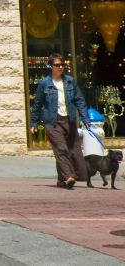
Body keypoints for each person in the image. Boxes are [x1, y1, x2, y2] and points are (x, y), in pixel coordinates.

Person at [30, 53, 91, 189]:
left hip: (68, 119)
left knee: (73, 150)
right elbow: (37, 104)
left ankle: (60, 180)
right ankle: (69, 177)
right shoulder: (44, 83)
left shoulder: (70, 81)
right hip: (52, 121)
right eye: (57, 65)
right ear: (51, 66)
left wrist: (85, 118)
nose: (60, 67)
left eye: (62, 65)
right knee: (61, 148)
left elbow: (79, 100)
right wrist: (34, 123)